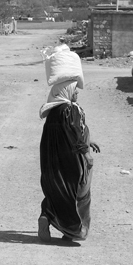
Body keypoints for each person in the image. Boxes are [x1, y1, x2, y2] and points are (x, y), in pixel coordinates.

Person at [38, 80, 100, 242]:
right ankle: (73, 231)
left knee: (57, 190)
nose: (77, 93)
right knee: (78, 193)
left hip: (52, 160)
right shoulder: (70, 110)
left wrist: (88, 140)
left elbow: (69, 131)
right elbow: (73, 131)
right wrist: (86, 153)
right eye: (74, 90)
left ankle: (46, 215)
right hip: (70, 159)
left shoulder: (53, 111)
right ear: (66, 92)